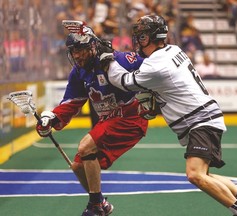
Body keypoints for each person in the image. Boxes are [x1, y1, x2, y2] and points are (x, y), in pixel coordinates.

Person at [99, 15, 237, 216]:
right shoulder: (174, 50)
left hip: (200, 120)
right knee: (203, 174)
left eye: (142, 37)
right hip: (203, 117)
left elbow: (124, 81)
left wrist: (109, 61)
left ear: (154, 37)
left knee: (195, 175)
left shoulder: (156, 64)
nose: (138, 41)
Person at [36, 25, 154, 216]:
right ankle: (100, 203)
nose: (77, 56)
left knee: (85, 148)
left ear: (92, 47)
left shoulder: (117, 59)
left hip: (130, 118)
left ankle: (95, 206)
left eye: (80, 50)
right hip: (108, 120)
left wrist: (161, 95)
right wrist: (52, 118)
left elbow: (153, 68)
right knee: (77, 165)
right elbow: (71, 102)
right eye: (73, 51)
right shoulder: (78, 72)